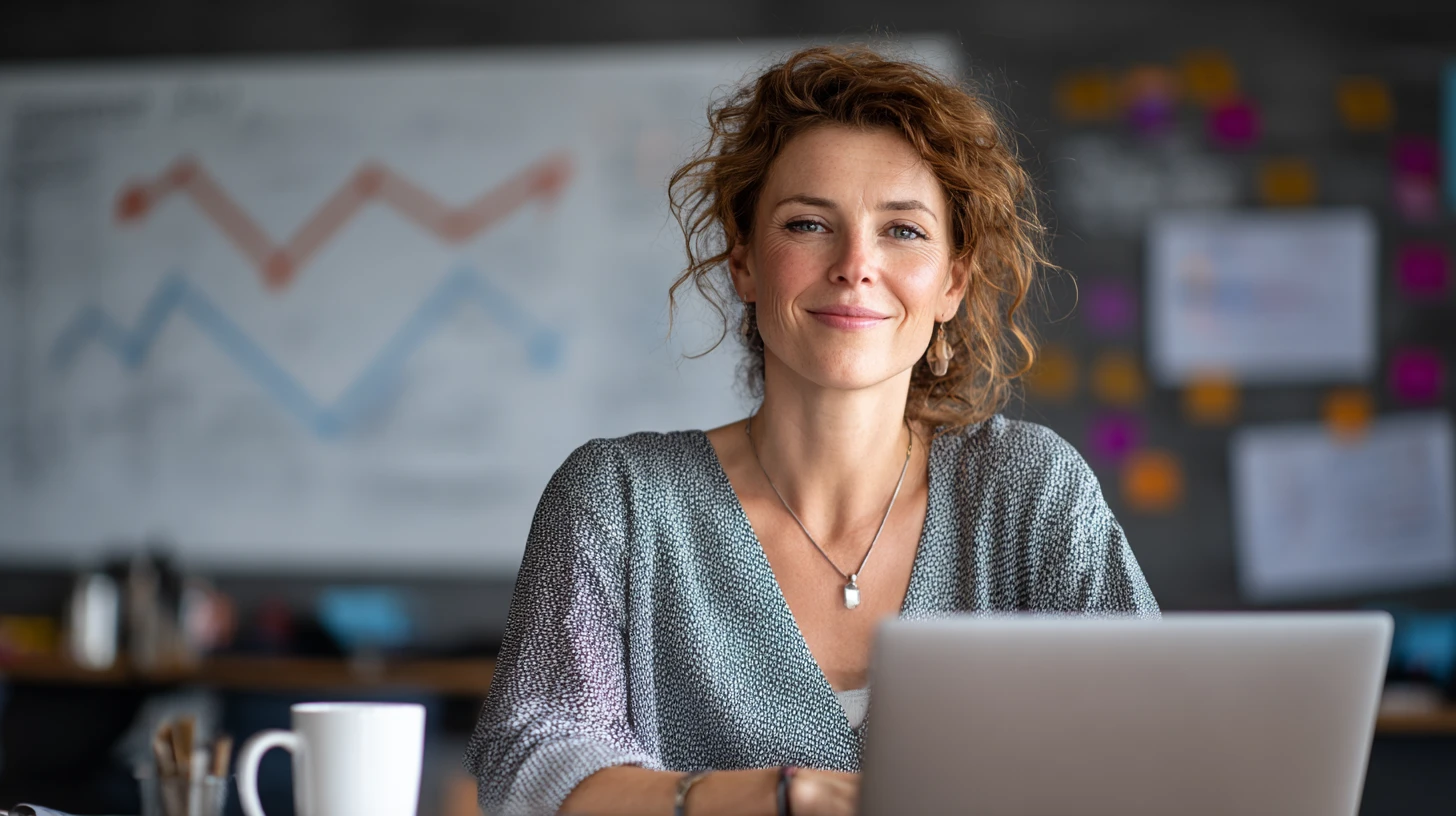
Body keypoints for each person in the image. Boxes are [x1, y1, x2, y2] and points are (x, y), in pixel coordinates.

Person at [464, 44, 1158, 816]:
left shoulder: (1028, 491)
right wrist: (766, 797)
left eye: (903, 231)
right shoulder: (621, 501)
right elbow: (533, 755)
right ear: (745, 263)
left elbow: (1160, 734)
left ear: (953, 282)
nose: (856, 264)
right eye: (806, 224)